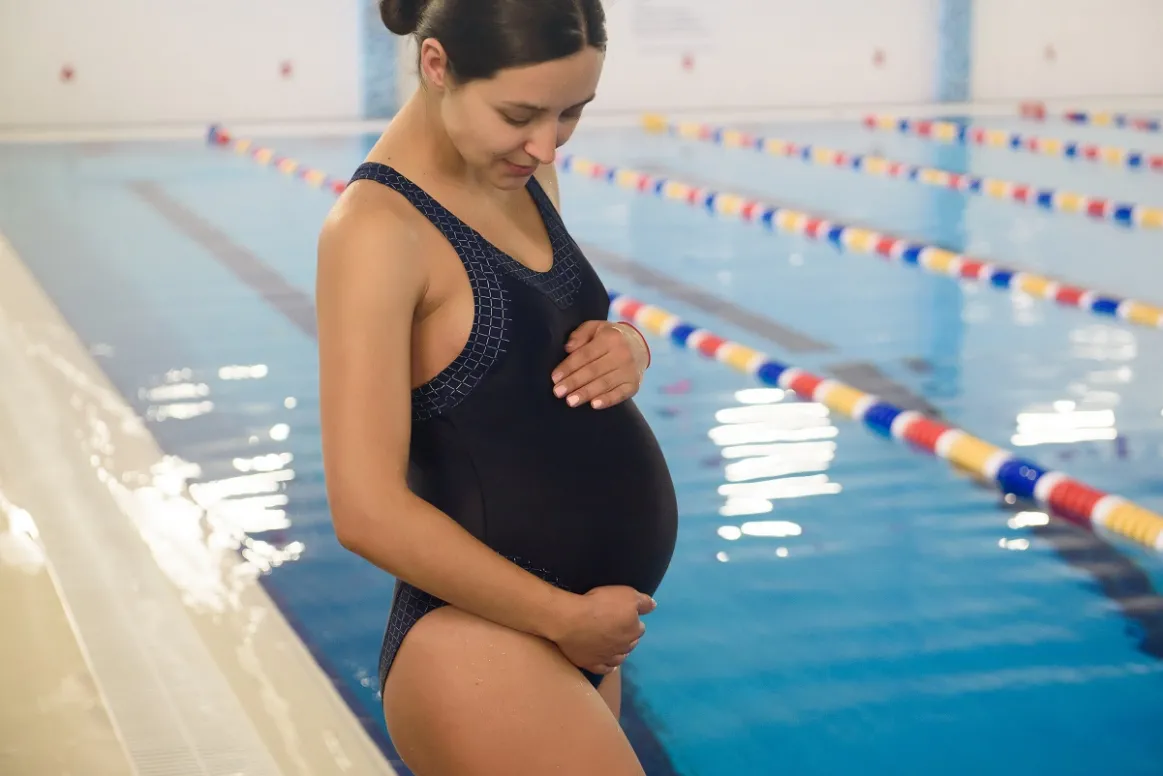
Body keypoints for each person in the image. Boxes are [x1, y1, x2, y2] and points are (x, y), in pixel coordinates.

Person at [315, 0, 678, 772]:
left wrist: (629, 346)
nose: (546, 143)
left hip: (566, 638)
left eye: (571, 113)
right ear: (437, 65)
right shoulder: (377, 230)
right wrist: (561, 617)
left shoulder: (522, 171)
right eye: (520, 113)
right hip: (479, 644)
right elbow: (364, 509)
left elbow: (543, 343)